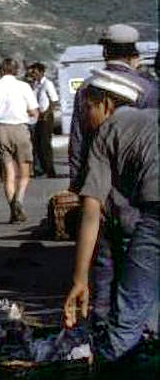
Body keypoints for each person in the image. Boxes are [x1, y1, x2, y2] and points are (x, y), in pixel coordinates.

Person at [63, 69, 158, 361]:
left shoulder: (106, 131)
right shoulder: (153, 118)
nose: (86, 117)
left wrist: (80, 280)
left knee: (126, 320)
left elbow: (91, 212)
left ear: (105, 103)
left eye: (88, 108)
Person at [69, 23, 159, 191]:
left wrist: (76, 184)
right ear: (134, 54)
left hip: (96, 179)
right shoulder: (148, 89)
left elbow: (78, 138)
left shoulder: (86, 87)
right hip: (138, 178)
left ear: (105, 52)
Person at [0, 58, 38, 223]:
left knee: (9, 173)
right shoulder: (23, 86)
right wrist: (29, 119)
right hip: (20, 128)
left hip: (1, 129)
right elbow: (34, 111)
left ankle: (13, 210)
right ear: (16, 70)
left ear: (1, 70)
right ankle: (19, 201)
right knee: (25, 172)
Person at [29, 62, 59, 178]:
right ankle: (40, 168)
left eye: (35, 72)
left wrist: (47, 113)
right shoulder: (35, 84)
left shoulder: (47, 84)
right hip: (37, 116)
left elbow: (54, 100)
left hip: (46, 116)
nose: (33, 74)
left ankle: (50, 170)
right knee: (37, 144)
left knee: (45, 144)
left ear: (41, 72)